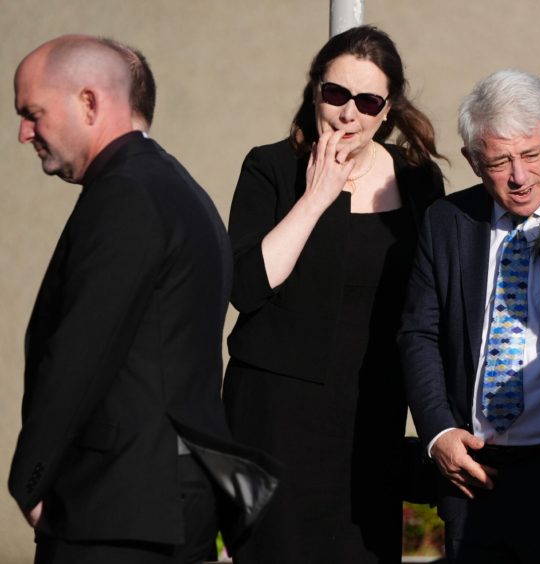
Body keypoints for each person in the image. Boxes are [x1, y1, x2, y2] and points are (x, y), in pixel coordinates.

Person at [8, 34, 276, 564]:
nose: (24, 133)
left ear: (88, 102)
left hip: (112, 510)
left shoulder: (126, 195)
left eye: (33, 113)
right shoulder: (180, 190)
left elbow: (81, 350)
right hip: (167, 503)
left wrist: (32, 478)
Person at [222, 25, 445, 563]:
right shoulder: (271, 167)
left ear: (386, 110)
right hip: (276, 415)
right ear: (315, 91)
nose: (349, 114)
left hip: (372, 412)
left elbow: (431, 298)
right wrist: (318, 195)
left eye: (367, 101)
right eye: (336, 94)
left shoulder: (418, 181)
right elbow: (245, 286)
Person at [400, 69, 540, 563]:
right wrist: (439, 434)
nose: (518, 177)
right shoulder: (447, 221)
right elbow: (418, 332)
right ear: (472, 161)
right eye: (499, 161)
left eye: (530, 155)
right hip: (471, 468)